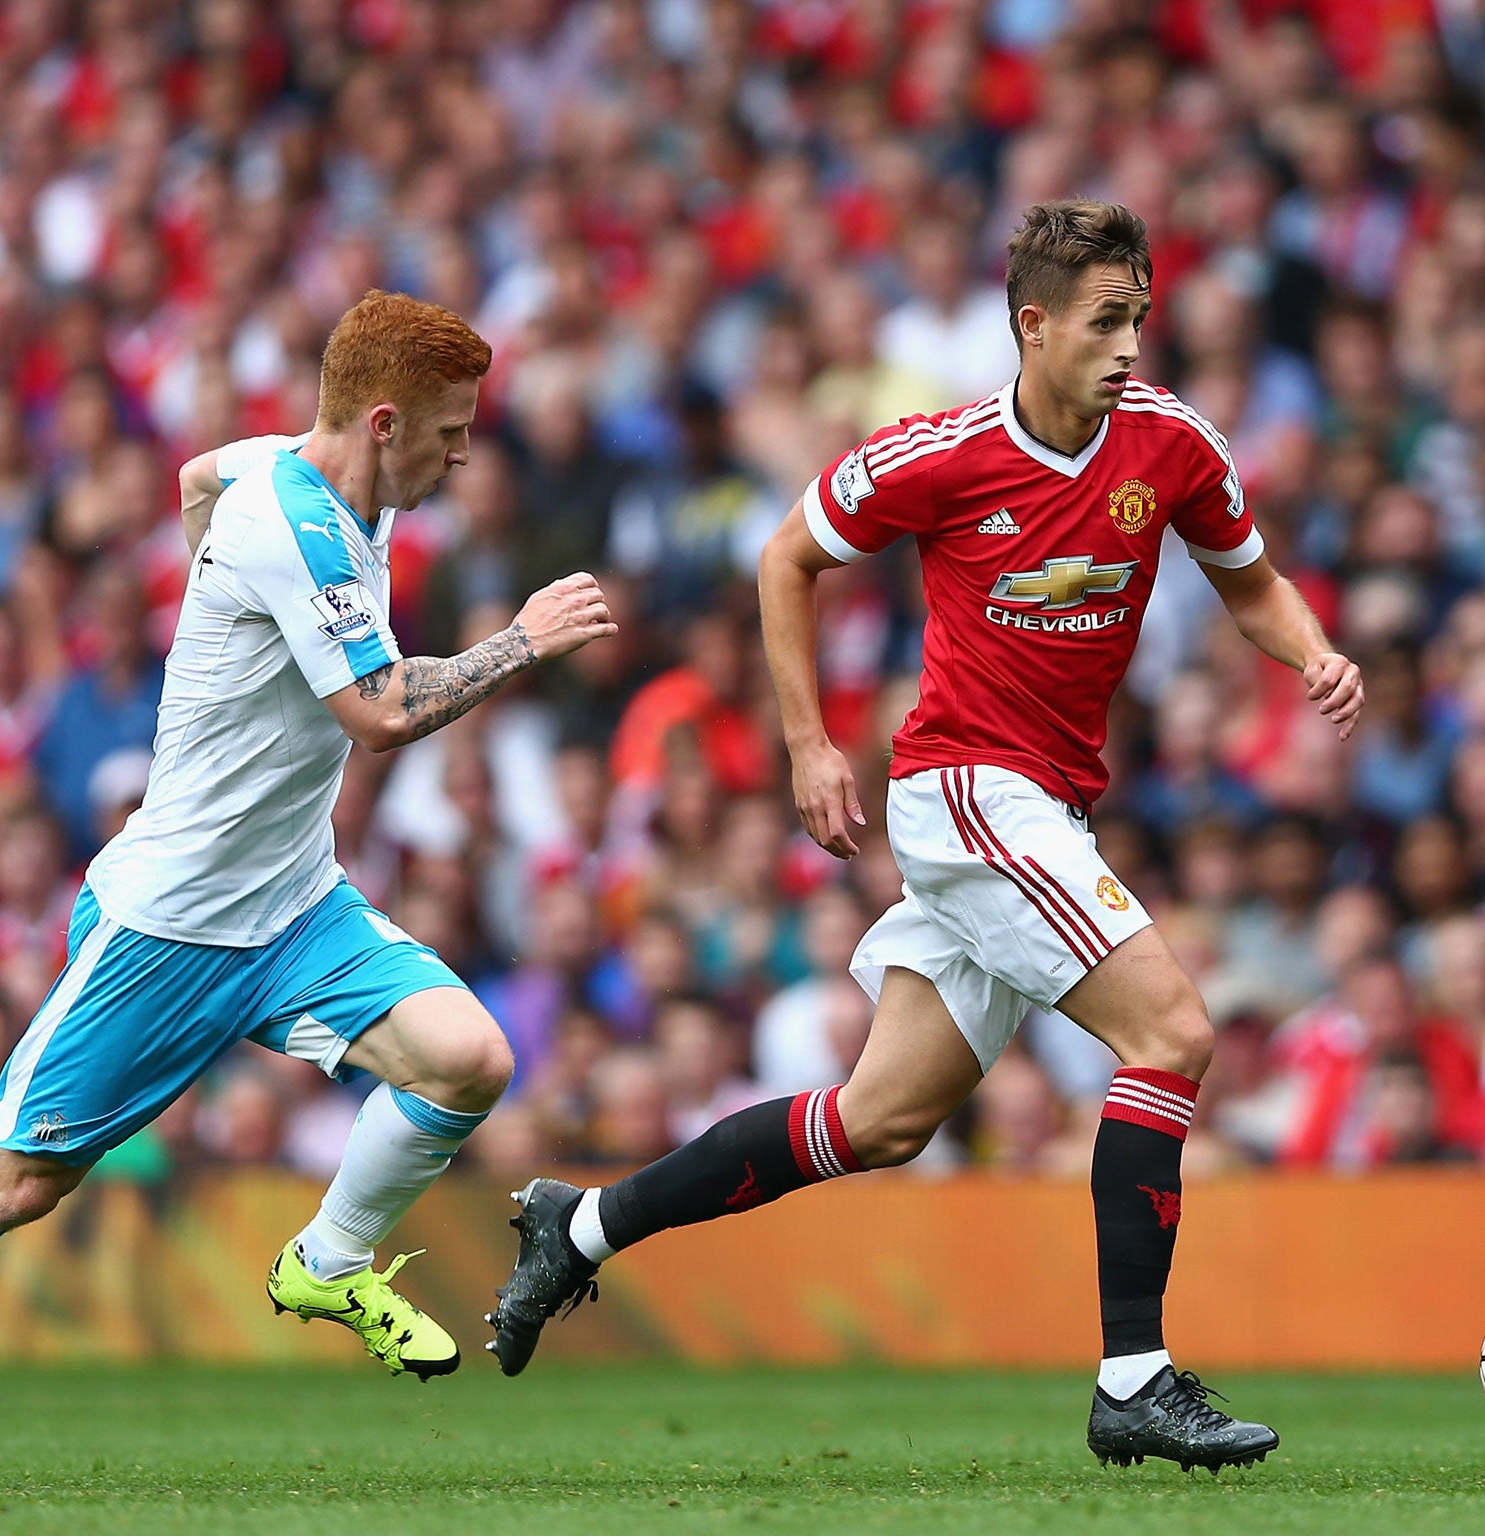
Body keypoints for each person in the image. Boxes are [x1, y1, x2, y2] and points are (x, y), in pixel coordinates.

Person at [487, 201, 1364, 1472]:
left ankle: (577, 1230)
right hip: (964, 791)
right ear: (1033, 324)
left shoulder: (1172, 448)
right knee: (1170, 1032)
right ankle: (1133, 1376)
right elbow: (786, 558)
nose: (1128, 346)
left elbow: (1249, 583)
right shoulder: (938, 455)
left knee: (877, 1121)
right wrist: (804, 740)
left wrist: (1315, 654)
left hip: (1044, 805)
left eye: (1139, 319)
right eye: (1104, 321)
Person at [0, 291, 617, 1491]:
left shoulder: (293, 470)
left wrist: (227, 621)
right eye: (448, 430)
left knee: (468, 1059)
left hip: (292, 904)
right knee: (20, 1179)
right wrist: (521, 642)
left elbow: (190, 477)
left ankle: (326, 1262)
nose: (461, 452)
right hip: (169, 925)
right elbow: (383, 715)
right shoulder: (299, 526)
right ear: (383, 423)